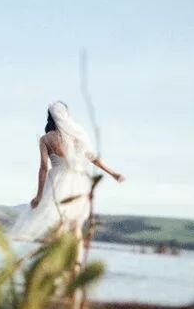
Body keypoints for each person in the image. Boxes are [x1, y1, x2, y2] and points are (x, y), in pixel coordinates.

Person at [10, 101, 125, 242]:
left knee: (59, 222)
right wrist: (113, 173)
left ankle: (56, 252)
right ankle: (76, 256)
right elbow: (92, 158)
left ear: (50, 117)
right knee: (76, 225)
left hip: (57, 182)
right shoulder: (76, 135)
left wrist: (39, 196)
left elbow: (44, 168)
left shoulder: (45, 139)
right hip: (78, 181)